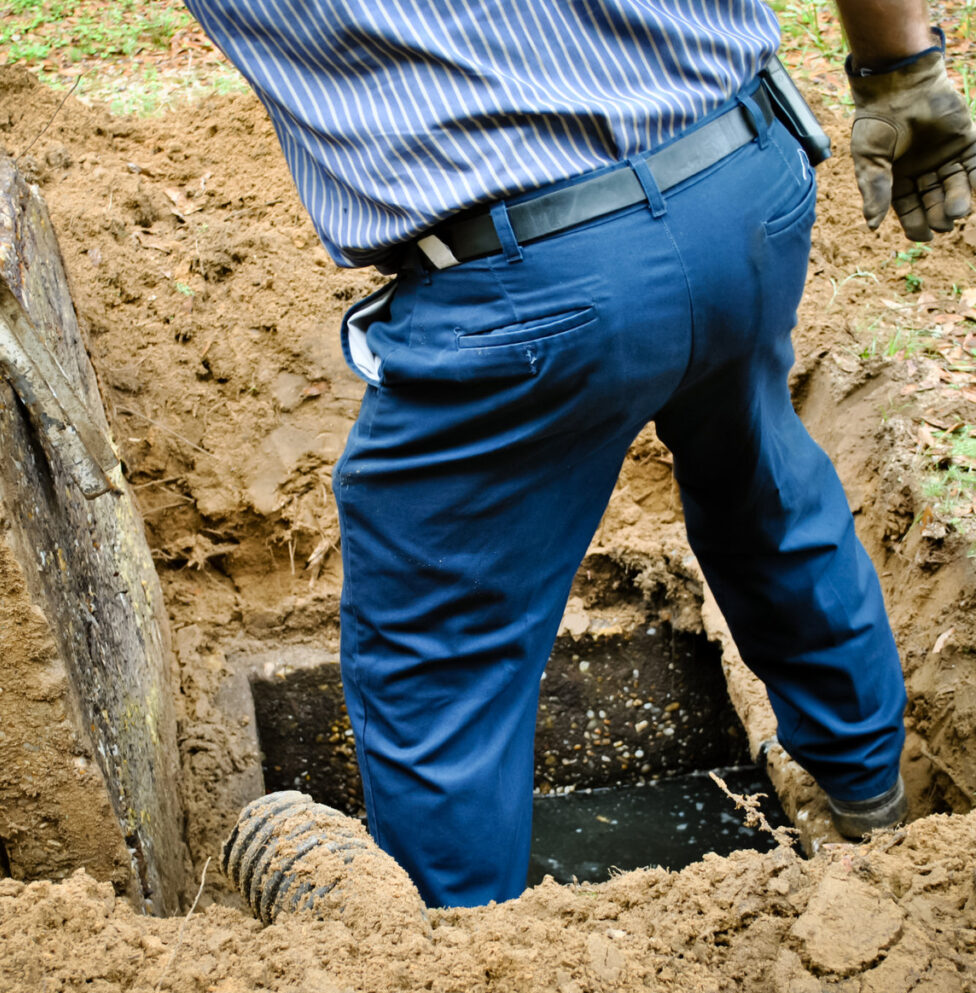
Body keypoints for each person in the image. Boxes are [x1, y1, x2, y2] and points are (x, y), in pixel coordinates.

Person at [182, 0, 976, 908]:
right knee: (764, 488)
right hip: (743, 181)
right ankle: (872, 810)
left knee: (439, 647)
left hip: (528, 288)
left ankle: (465, 957)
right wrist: (903, 69)